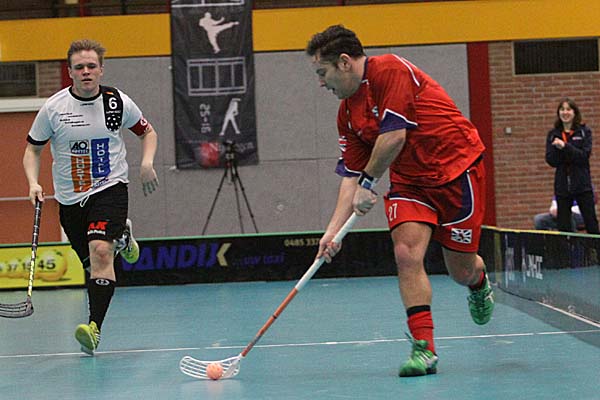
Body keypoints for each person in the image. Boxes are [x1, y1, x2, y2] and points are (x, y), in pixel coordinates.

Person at [306, 25, 494, 378]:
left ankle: (478, 281)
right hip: (410, 183)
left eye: (322, 72)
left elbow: (394, 136)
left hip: (458, 171)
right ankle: (424, 349)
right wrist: (332, 232)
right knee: (406, 254)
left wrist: (368, 182)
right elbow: (351, 176)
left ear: (344, 62)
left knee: (461, 270)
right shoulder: (347, 115)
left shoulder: (390, 70)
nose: (320, 82)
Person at [22, 39, 160, 355]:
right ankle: (122, 236)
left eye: (91, 66)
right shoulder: (54, 108)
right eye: (79, 67)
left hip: (110, 188)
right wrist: (32, 182)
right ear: (70, 71)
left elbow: (147, 132)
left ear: (101, 70)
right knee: (92, 264)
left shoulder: (116, 102)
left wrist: (147, 162)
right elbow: (32, 150)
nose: (86, 71)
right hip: (70, 200)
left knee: (100, 252)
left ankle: (94, 328)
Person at [545, 98, 599, 233]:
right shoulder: (553, 134)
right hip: (562, 185)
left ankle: (594, 247)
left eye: (568, 109)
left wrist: (565, 147)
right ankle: (566, 248)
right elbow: (551, 160)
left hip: (582, 184)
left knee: (591, 223)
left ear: (574, 112)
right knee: (564, 226)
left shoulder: (584, 132)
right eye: (562, 109)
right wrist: (561, 151)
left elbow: (583, 156)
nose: (565, 113)